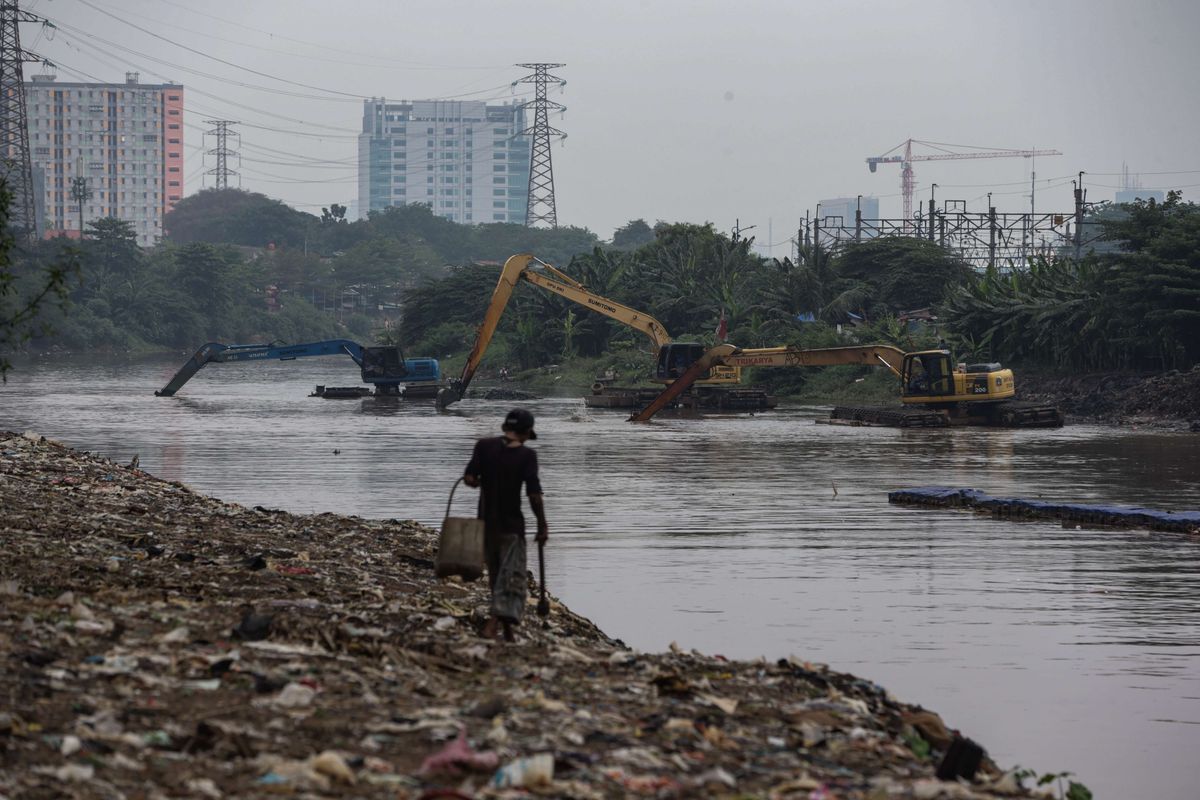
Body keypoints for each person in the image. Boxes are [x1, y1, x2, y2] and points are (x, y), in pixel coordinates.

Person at [463, 408, 548, 641]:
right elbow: (534, 495)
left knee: (496, 575)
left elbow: (469, 478)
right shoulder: (526, 456)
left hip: (486, 524)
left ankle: (508, 631)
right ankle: (492, 626)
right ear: (527, 431)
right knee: (512, 578)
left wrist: (484, 482)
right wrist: (542, 525)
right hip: (511, 526)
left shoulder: (484, 446)